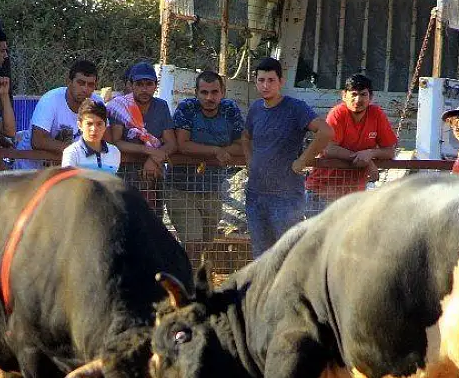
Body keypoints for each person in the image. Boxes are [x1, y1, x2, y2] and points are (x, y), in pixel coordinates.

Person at [242, 57, 332, 255]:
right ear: (255, 81)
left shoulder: (295, 108)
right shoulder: (256, 109)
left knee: (288, 253)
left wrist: (302, 161)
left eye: (271, 80)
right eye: (261, 80)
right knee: (260, 254)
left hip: (286, 197)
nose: (265, 85)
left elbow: (326, 132)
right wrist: (250, 161)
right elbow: (246, 137)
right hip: (256, 194)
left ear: (281, 82)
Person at [170, 69, 244, 243]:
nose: (209, 98)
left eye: (214, 92)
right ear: (196, 93)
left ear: (223, 92)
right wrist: (216, 150)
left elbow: (241, 146)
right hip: (181, 187)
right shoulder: (187, 108)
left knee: (206, 242)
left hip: (213, 188)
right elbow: (183, 145)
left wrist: (215, 150)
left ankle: (196, 271)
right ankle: (187, 271)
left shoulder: (230, 109)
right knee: (192, 242)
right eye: (204, 92)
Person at [305, 72, 397, 205]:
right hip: (322, 191)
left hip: (354, 196)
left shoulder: (376, 114)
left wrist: (370, 153)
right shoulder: (338, 113)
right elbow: (329, 148)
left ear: (371, 97)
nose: (358, 100)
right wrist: (367, 162)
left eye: (363, 94)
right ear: (344, 95)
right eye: (354, 94)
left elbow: (390, 151)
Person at [109, 61, 176, 208]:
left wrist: (153, 159)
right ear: (131, 85)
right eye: (139, 84)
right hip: (124, 174)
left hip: (153, 174)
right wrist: (148, 150)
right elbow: (116, 141)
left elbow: (171, 142)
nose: (144, 89)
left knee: (152, 220)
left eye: (149, 84)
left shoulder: (161, 106)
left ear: (155, 86)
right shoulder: (121, 105)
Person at [14, 59, 101, 168]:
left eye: (90, 85)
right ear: (69, 82)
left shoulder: (97, 103)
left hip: (63, 171)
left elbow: (104, 139)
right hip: (30, 170)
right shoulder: (50, 100)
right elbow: (37, 141)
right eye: (80, 83)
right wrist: (79, 151)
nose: (85, 89)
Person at [61, 97, 120, 173]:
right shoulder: (72, 152)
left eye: (99, 124)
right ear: (80, 125)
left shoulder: (114, 152)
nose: (94, 129)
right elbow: (68, 182)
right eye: (89, 124)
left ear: (105, 125)